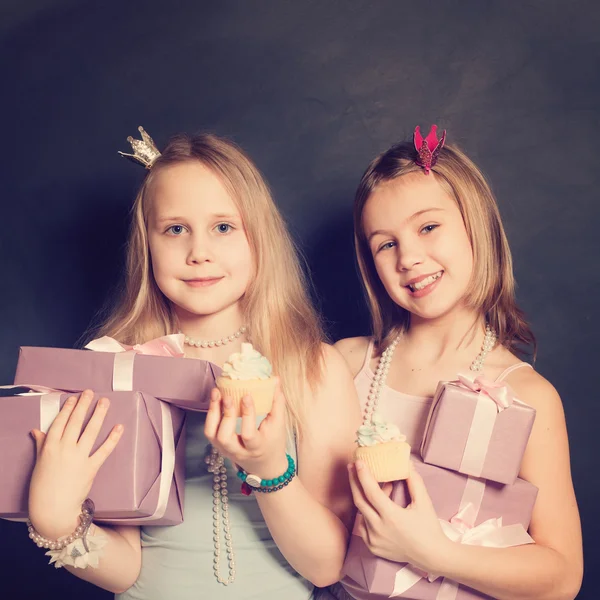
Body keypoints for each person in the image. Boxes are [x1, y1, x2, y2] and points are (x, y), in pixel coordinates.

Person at [27, 129, 361, 599]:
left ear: (257, 238)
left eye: (223, 227)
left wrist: (269, 467)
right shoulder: (116, 368)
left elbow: (326, 567)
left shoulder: (314, 368)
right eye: (175, 229)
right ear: (148, 245)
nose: (198, 251)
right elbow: (128, 570)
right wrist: (58, 523)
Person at [333, 126, 583, 599]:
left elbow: (563, 577)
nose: (408, 257)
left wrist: (431, 552)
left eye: (428, 227)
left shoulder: (527, 396)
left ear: (476, 225)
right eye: (385, 244)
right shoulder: (347, 364)